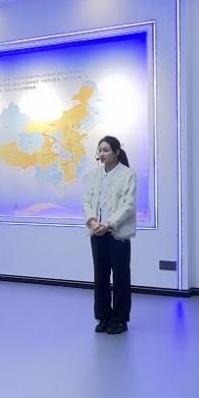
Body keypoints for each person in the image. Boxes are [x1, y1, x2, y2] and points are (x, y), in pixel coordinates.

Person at [82, 136, 138, 335]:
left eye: (106, 150)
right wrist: (92, 221)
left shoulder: (127, 174)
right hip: (97, 232)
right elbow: (86, 202)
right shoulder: (92, 175)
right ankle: (103, 317)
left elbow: (128, 205)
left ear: (116, 152)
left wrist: (109, 224)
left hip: (117, 234)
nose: (102, 153)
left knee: (121, 276)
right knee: (100, 276)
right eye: (100, 150)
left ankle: (120, 319)